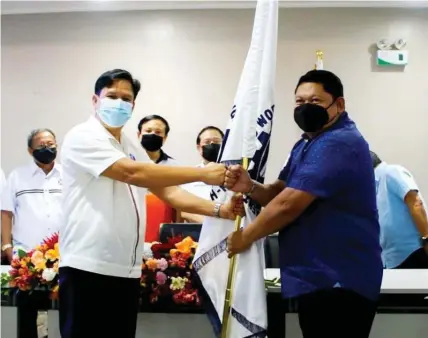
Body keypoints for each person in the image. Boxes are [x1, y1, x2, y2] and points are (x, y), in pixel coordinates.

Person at [58, 69, 242, 338]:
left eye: (126, 98)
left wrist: (219, 210)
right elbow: (132, 173)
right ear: (95, 100)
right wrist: (202, 172)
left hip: (125, 268)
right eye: (111, 96)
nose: (119, 103)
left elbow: (168, 191)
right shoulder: (83, 136)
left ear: (133, 105)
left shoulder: (130, 146)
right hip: (88, 265)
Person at [225, 70, 383, 338]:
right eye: (299, 102)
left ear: (339, 105)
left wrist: (245, 237)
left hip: (339, 279)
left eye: (316, 101)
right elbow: (280, 191)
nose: (306, 108)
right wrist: (249, 186)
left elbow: (289, 205)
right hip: (317, 276)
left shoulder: (339, 142)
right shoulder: (307, 143)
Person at [1, 128, 61, 338]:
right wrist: (7, 246)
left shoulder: (67, 175)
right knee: (28, 314)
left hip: (61, 256)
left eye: (51, 144)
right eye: (42, 146)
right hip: (27, 256)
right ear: (30, 150)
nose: (48, 149)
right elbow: (6, 213)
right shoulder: (18, 176)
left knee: (61, 315)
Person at [371, 151, 428, 268]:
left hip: (414, 253)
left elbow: (415, 203)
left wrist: (427, 238)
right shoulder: (373, 188)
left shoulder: (391, 172)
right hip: (391, 261)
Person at [181, 126, 224, 223]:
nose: (212, 144)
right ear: (199, 147)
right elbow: (183, 211)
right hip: (197, 232)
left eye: (216, 142)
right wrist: (206, 224)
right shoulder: (189, 176)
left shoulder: (234, 174)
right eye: (207, 142)